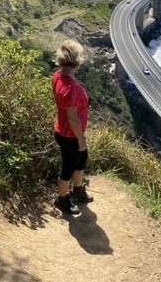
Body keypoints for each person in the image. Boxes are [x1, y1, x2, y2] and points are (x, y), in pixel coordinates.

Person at [52, 39, 94, 214]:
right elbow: (73, 118)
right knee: (68, 167)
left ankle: (77, 190)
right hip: (71, 135)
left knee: (82, 159)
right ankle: (62, 200)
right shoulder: (72, 88)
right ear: (77, 60)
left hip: (63, 130)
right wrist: (81, 139)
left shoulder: (58, 76)